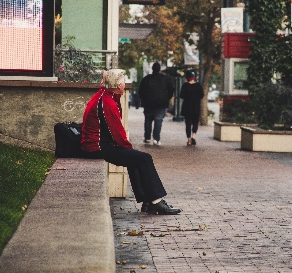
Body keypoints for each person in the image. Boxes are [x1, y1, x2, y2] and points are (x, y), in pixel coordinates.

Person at [81, 69, 181, 215]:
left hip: (97, 144)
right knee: (143, 158)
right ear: (118, 85)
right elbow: (116, 131)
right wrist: (128, 148)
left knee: (135, 158)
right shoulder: (107, 101)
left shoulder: (106, 96)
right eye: (123, 81)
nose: (125, 84)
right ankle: (156, 202)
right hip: (97, 147)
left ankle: (148, 202)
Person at [138, 62, 175, 146]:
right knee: (158, 120)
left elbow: (140, 91)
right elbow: (171, 89)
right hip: (161, 103)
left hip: (148, 103)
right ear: (159, 69)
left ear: (152, 69)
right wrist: (167, 98)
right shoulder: (165, 79)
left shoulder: (146, 79)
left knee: (148, 120)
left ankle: (147, 137)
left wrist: (144, 99)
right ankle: (156, 138)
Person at [180, 70, 204, 146]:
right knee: (195, 122)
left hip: (187, 107)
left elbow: (181, 95)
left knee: (188, 124)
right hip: (196, 107)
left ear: (187, 78)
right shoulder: (198, 85)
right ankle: (194, 136)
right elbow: (202, 95)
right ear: (194, 77)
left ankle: (189, 139)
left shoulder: (185, 85)